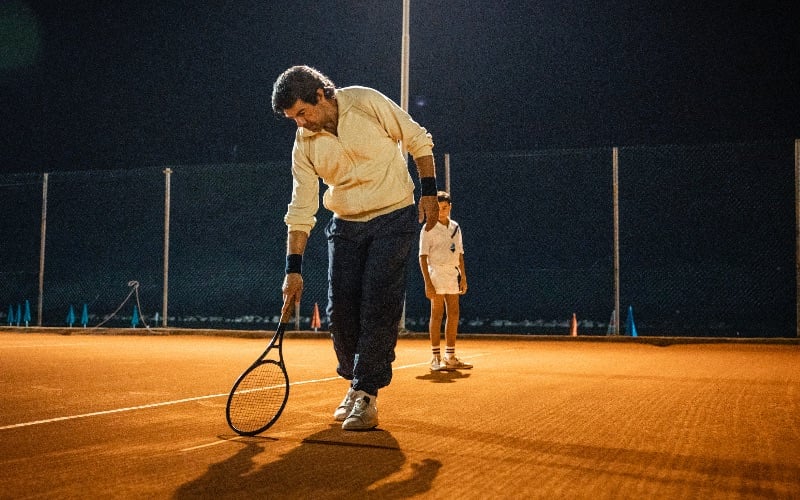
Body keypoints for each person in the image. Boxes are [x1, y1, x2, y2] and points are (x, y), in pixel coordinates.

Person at [271, 65, 440, 431]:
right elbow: (301, 208)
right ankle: (356, 380)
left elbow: (417, 139)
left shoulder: (364, 101)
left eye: (302, 113)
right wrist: (293, 270)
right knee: (339, 314)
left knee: (378, 305)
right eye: (292, 119)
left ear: (320, 95)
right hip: (345, 224)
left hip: (393, 216)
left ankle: (366, 394)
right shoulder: (304, 144)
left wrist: (428, 192)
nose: (300, 123)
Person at [418, 191, 472, 371]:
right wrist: (427, 282)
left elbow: (460, 253)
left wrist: (463, 276)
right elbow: (422, 257)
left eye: (445, 207)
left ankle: (450, 356)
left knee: (454, 312)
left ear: (450, 207)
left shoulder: (456, 227)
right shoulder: (427, 228)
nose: (442, 211)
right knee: (437, 313)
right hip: (436, 274)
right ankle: (435, 358)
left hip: (452, 274)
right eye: (439, 207)